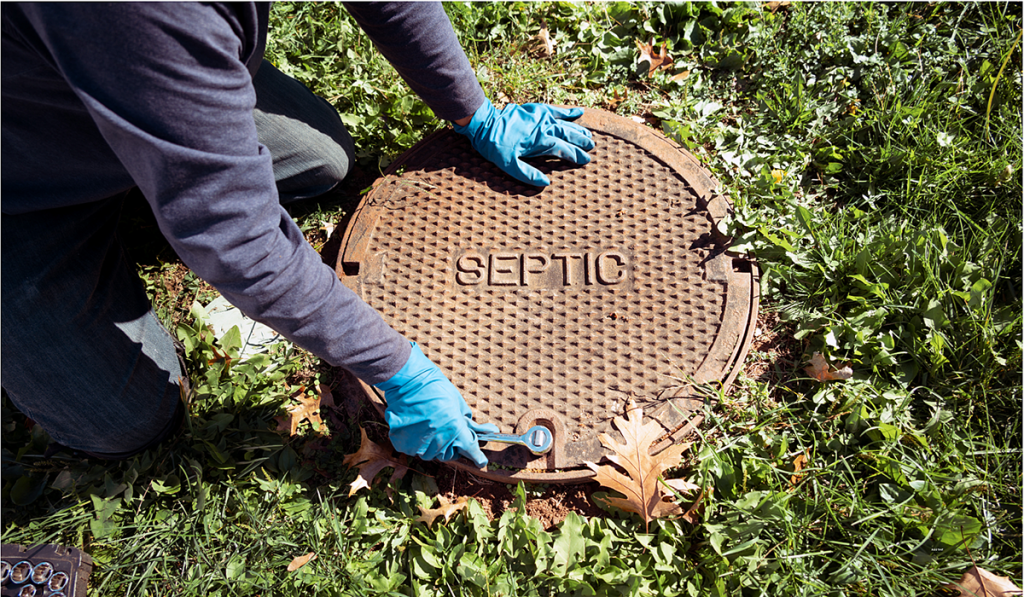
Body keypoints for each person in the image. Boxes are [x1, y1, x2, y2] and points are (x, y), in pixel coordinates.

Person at [1, 3, 594, 466]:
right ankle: (167, 145)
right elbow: (237, 237)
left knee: (323, 160)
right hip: (25, 181)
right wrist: (397, 369)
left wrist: (473, 111)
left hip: (132, 66)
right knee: (123, 420)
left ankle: (174, 132)